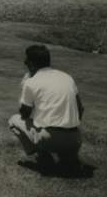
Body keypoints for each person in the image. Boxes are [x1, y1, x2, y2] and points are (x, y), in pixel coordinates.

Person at [8, 45, 85, 175]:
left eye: (27, 61)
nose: (25, 63)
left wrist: (24, 88)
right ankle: (68, 156)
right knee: (51, 126)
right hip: (75, 138)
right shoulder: (67, 77)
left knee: (13, 120)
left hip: (49, 139)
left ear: (31, 64)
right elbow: (80, 109)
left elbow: (24, 114)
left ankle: (42, 155)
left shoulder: (31, 81)